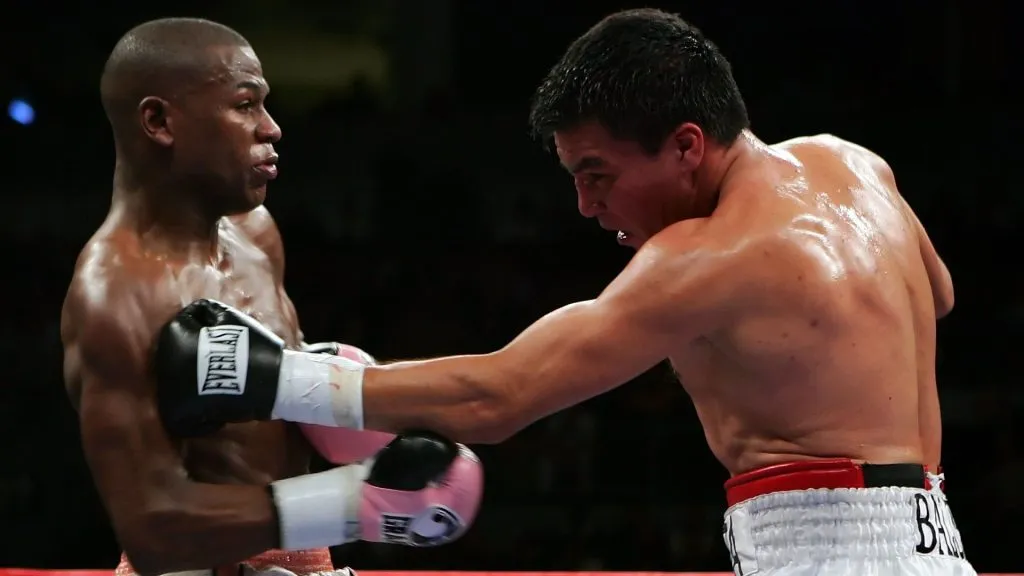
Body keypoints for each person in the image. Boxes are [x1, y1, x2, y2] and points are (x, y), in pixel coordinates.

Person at [153, 8, 973, 576]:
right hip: (934, 543)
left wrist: (270, 379)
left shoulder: (711, 258)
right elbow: (934, 294)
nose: (587, 207)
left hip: (826, 554)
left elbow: (500, 397)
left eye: (598, 175)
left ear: (687, 145)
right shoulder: (852, 164)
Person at [60, 17, 482, 576]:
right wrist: (357, 505)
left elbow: (271, 406)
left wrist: (335, 393)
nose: (272, 128)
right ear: (159, 121)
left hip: (305, 556)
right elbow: (152, 528)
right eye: (244, 106)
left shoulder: (255, 234)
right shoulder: (116, 291)